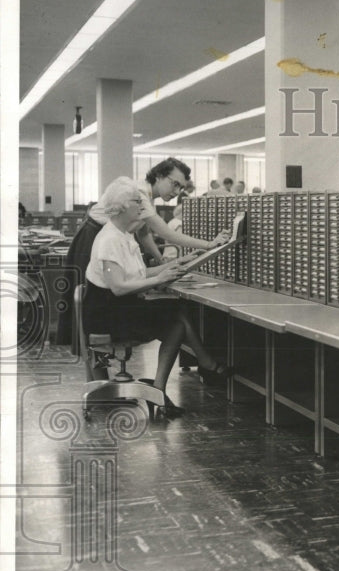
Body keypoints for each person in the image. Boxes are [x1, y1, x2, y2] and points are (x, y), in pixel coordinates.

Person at [82, 180, 234, 416]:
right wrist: (160, 278)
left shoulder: (123, 235)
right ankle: (164, 387)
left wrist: (177, 263)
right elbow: (119, 287)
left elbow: (137, 273)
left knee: (178, 312)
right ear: (122, 206)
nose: (141, 205)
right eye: (136, 201)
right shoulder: (109, 239)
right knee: (177, 321)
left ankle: (172, 382)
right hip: (107, 316)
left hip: (117, 309)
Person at [56, 158, 230, 346]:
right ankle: (97, 354)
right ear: (159, 176)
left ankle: (101, 357)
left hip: (106, 239)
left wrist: (161, 259)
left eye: (181, 188)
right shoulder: (138, 195)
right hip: (95, 238)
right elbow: (166, 233)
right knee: (95, 299)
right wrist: (209, 245)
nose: (177, 192)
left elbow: (144, 233)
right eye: (175, 184)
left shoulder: (145, 200)